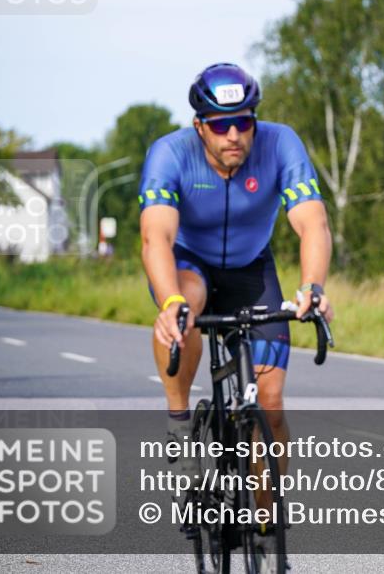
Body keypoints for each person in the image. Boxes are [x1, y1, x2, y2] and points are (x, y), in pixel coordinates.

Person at [138, 63, 333, 480]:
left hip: (250, 269)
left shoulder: (280, 144)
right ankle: (179, 422)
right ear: (199, 126)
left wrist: (313, 287)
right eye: (221, 124)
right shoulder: (170, 153)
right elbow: (156, 238)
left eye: (243, 122)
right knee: (185, 302)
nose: (233, 135)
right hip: (191, 265)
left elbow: (312, 222)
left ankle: (264, 528)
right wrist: (169, 301)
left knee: (271, 402)